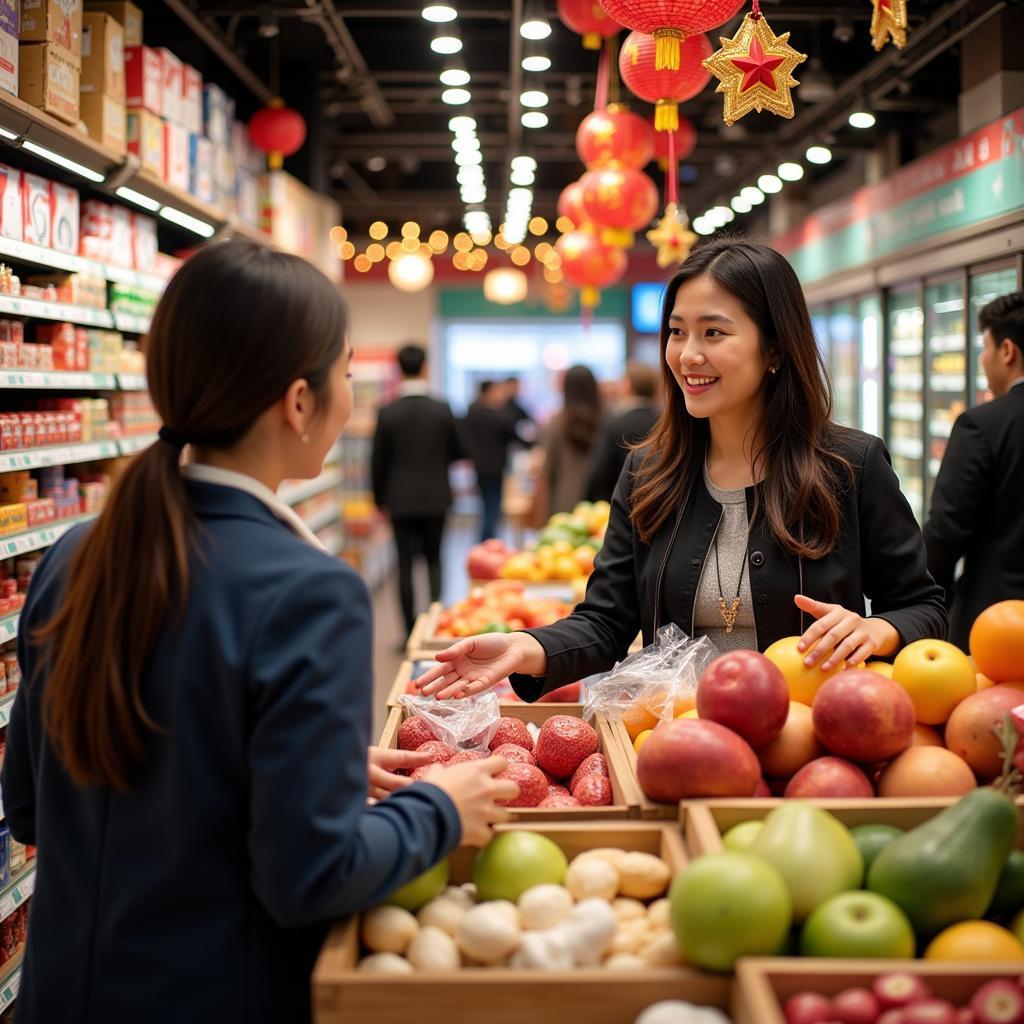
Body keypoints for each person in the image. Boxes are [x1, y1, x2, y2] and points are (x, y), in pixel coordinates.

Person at [0, 240, 516, 1024]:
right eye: (344, 374)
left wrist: (312, 762)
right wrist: (439, 807)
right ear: (299, 402)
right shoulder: (311, 592)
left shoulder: (77, 554)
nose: (351, 396)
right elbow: (310, 875)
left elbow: (37, 808)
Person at [415, 238, 947, 701]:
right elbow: (606, 620)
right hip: (678, 738)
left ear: (776, 350)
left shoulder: (850, 467)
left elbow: (923, 607)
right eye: (676, 332)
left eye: (713, 333)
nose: (687, 354)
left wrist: (878, 630)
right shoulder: (649, 472)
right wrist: (524, 646)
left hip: (813, 742)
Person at [924, 290, 1024, 650]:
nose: (983, 359)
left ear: (1007, 351)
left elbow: (946, 531)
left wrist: (928, 607)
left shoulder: (982, 425)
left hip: (997, 624)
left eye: (985, 347)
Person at [372, 344, 464, 641]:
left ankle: (409, 632)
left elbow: (378, 461)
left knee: (404, 565)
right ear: (425, 367)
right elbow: (460, 449)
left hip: (399, 499)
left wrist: (379, 498)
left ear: (400, 370)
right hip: (436, 496)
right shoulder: (442, 408)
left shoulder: (387, 411)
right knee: (435, 560)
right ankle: (435, 626)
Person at [535, 364, 605, 519]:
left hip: (563, 505)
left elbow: (547, 471)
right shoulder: (607, 421)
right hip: (601, 508)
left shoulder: (557, 423)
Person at [587, 361, 661, 503]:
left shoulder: (614, 424)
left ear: (627, 386)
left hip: (621, 505)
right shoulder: (667, 423)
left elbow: (600, 475)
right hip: (663, 504)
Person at [463, 379, 520, 541]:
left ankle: (485, 538)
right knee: (493, 504)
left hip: (479, 465)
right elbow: (514, 436)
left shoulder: (471, 413)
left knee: (485, 503)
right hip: (496, 466)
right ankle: (488, 539)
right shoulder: (499, 415)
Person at [503, 375, 537, 445]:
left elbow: (527, 423)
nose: (516, 389)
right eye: (513, 386)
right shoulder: (500, 407)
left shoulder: (518, 407)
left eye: (517, 387)